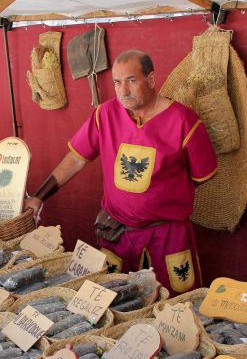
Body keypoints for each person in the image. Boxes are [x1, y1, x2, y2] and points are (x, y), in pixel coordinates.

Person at [23, 49, 218, 294]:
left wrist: (159, 197)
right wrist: (39, 197)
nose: (123, 91)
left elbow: (201, 176)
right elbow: (75, 159)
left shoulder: (184, 121)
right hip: (117, 235)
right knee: (117, 305)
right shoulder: (104, 114)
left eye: (131, 81)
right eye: (117, 82)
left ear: (151, 79)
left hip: (167, 237)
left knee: (174, 305)